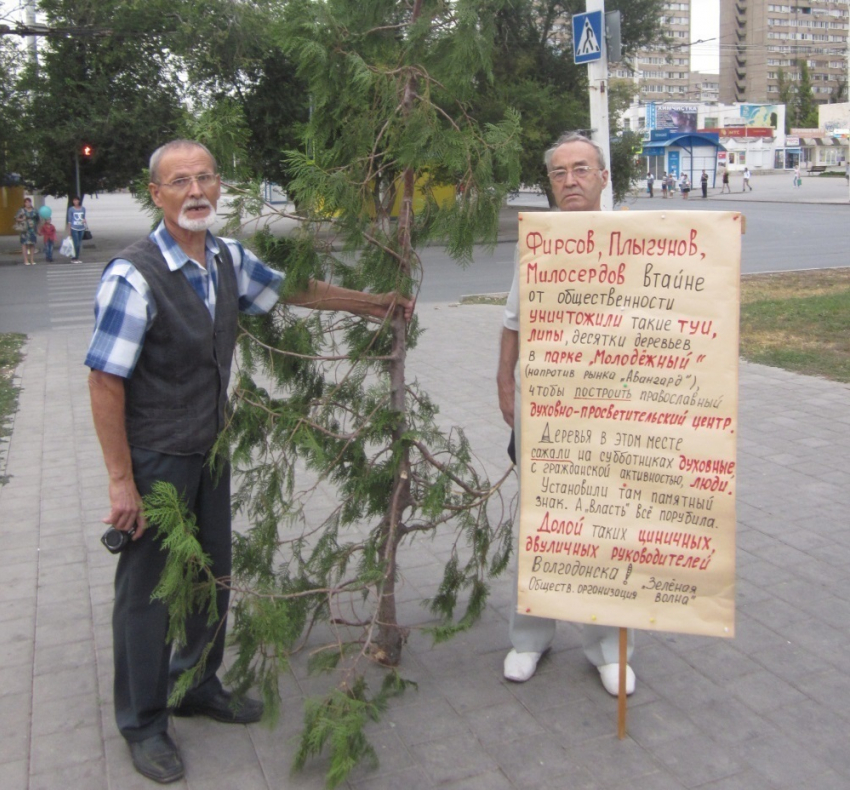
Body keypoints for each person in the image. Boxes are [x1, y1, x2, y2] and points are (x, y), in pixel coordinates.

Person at [85, 140, 414, 784]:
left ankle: (198, 684)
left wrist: (374, 304)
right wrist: (121, 480)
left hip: (212, 447)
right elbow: (104, 381)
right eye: (179, 181)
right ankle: (144, 723)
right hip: (154, 455)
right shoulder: (133, 274)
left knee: (214, 573)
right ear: (157, 195)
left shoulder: (227, 258)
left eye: (206, 177)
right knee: (148, 595)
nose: (196, 190)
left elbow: (296, 291)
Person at [496, 132, 635, 698]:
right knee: (542, 524)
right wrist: (504, 381)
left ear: (604, 176)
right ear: (548, 184)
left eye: (581, 169)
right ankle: (530, 637)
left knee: (607, 525)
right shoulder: (538, 241)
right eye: (559, 173)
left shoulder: (643, 239)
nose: (571, 180)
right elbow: (512, 319)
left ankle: (608, 648)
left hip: (617, 412)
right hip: (548, 411)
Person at [15, 197, 39, 266]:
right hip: (24, 230)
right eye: (26, 202)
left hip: (32, 229)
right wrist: (22, 219)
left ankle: (32, 259)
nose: (28, 204)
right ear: (24, 203)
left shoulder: (34, 210)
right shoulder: (22, 210)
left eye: (29, 202)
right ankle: (25, 260)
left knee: (32, 244)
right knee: (24, 244)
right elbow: (16, 218)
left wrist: (38, 228)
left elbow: (37, 219)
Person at [66, 195, 88, 263]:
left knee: (79, 243)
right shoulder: (71, 209)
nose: (75, 202)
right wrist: (69, 230)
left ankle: (77, 257)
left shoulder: (83, 209)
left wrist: (84, 221)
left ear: (79, 201)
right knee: (76, 244)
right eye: (74, 200)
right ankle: (74, 258)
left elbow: (83, 217)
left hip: (81, 228)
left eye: (77, 200)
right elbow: (69, 220)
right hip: (74, 228)